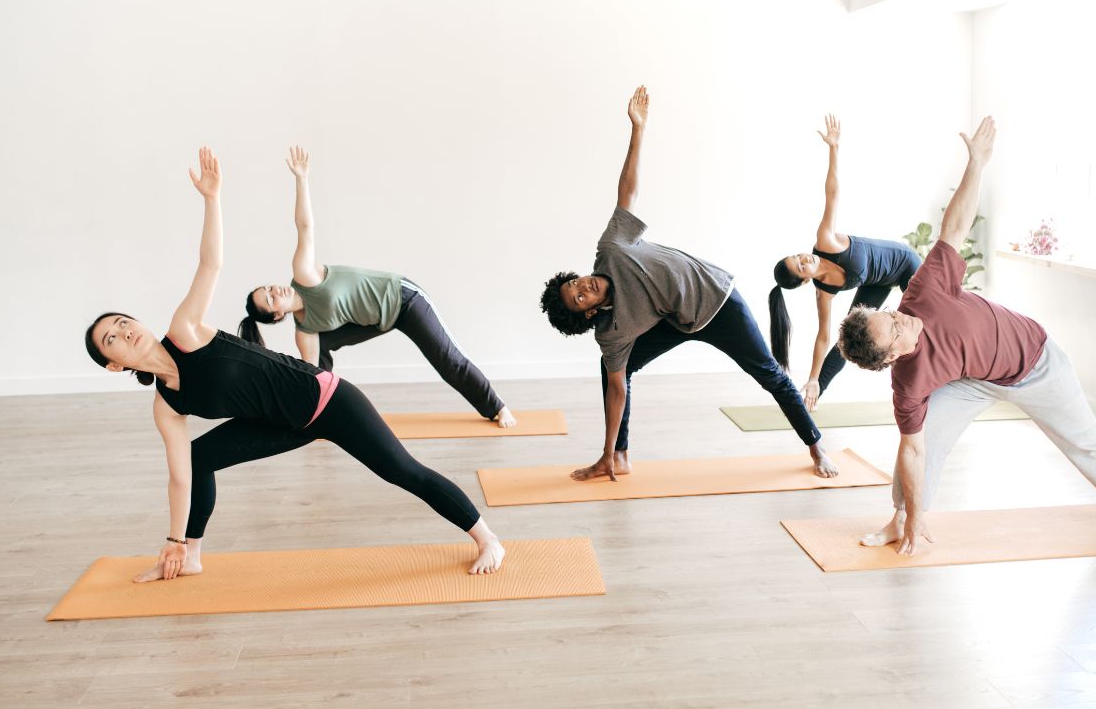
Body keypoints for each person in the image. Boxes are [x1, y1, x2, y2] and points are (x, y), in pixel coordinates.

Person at [85, 148, 504, 583]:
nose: (124, 330)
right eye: (111, 338)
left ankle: (487, 538)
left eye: (122, 321)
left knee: (402, 471)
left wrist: (212, 199)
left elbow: (211, 263)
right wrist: (173, 540)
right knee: (197, 459)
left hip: (327, 400)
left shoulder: (184, 329)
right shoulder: (166, 405)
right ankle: (191, 555)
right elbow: (178, 478)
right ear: (114, 365)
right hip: (286, 423)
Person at [836, 117, 1096, 555]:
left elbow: (953, 229)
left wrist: (976, 164)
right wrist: (917, 514)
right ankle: (903, 520)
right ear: (890, 358)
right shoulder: (909, 384)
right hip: (975, 381)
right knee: (920, 442)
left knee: (1085, 438)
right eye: (894, 329)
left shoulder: (923, 293)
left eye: (891, 315)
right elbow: (914, 452)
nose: (903, 319)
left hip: (1038, 363)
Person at [538, 87, 838, 482]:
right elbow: (616, 390)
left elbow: (627, 191)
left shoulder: (612, 247)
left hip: (717, 300)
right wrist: (604, 452)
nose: (584, 286)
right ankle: (619, 457)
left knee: (769, 374)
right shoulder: (612, 333)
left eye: (576, 283)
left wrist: (638, 130)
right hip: (678, 319)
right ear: (589, 313)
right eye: (579, 298)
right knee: (615, 369)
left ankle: (816, 447)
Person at [238, 146, 516, 428]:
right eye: (271, 300)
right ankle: (325, 416)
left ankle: (497, 407)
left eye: (269, 288)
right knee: (316, 363)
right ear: (276, 316)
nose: (276, 291)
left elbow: (305, 227)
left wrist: (301, 179)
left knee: (448, 361)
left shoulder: (304, 274)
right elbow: (312, 376)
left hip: (402, 300)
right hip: (377, 320)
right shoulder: (305, 331)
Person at [767, 114, 921, 409]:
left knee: (921, 319)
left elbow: (832, 194)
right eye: (801, 266)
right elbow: (824, 336)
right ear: (805, 280)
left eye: (797, 256)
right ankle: (812, 396)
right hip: (879, 282)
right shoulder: (824, 291)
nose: (804, 258)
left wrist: (833, 148)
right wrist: (813, 376)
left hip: (905, 262)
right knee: (848, 337)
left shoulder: (826, 241)